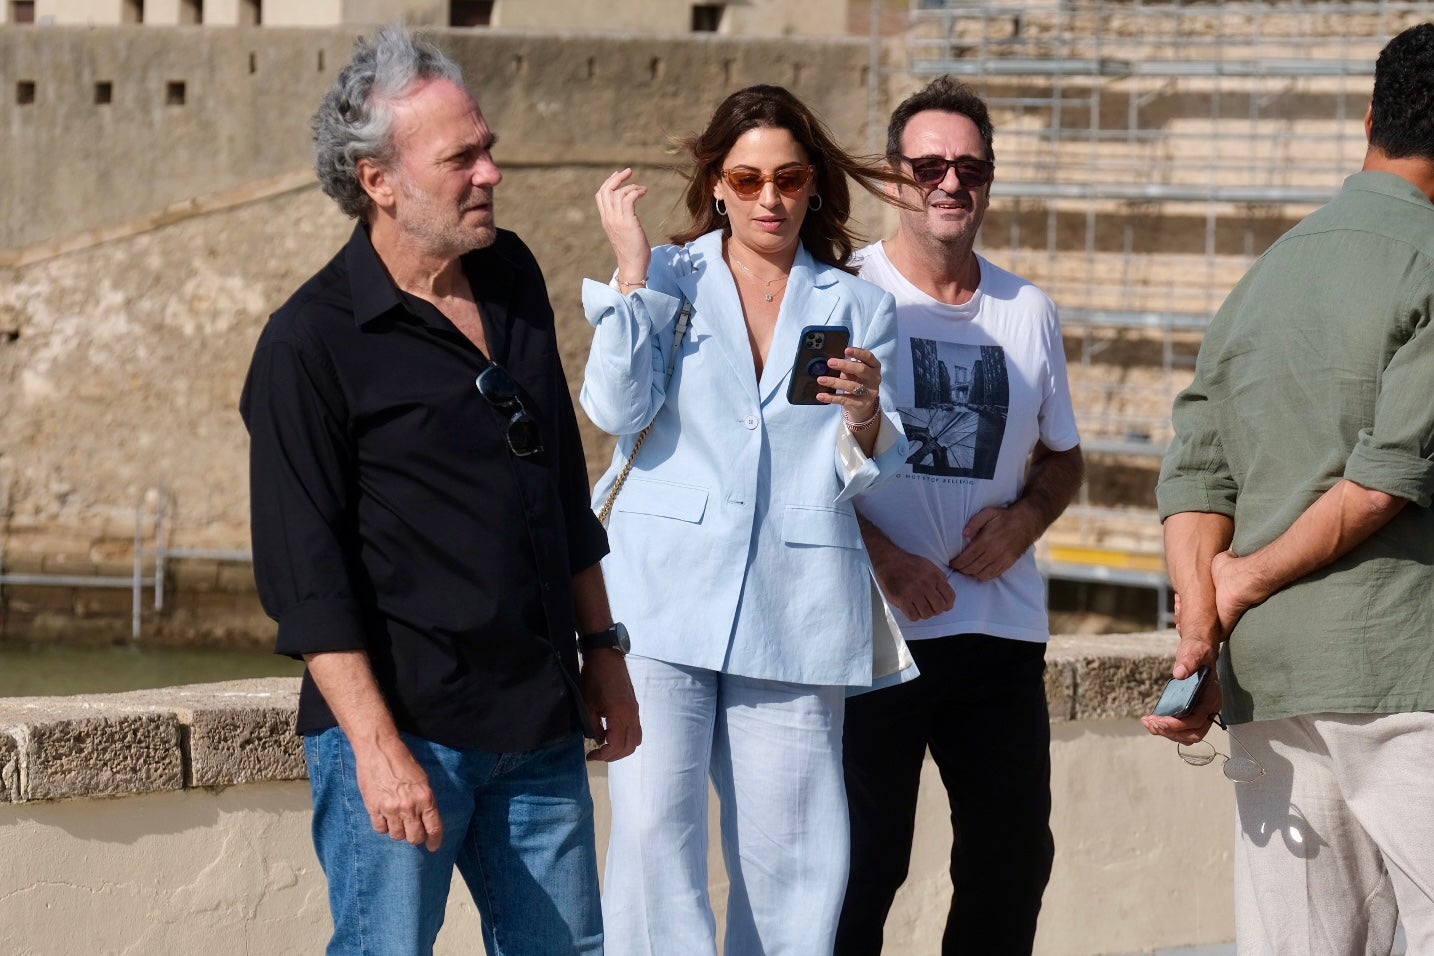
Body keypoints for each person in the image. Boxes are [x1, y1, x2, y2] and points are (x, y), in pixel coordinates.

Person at [239, 26, 639, 956]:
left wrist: (602, 651)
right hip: (405, 735)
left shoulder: (512, 276)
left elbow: (560, 484)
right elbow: (307, 579)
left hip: (540, 724)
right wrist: (377, 753)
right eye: (461, 157)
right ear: (379, 180)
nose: (491, 172)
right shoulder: (308, 344)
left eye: (488, 147)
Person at [581, 84, 911, 955]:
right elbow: (616, 407)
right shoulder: (667, 276)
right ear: (718, 185)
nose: (771, 198)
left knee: (797, 856)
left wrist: (867, 417)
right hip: (658, 594)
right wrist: (630, 273)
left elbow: (875, 466)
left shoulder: (860, 303)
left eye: (790, 178)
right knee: (653, 836)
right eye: (749, 177)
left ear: (812, 187)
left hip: (799, 600)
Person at [1142, 23, 1434, 955]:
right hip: (1405, 663)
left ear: (1367, 121)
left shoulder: (1264, 277)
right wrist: (1245, 580)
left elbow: (1195, 470)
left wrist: (1202, 626)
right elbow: (1389, 474)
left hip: (1272, 681)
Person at [834, 76, 1085, 956]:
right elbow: (789, 471)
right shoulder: (843, 297)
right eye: (930, 165)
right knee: (864, 870)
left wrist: (1025, 520)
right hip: (872, 637)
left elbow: (1063, 456)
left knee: (1012, 861)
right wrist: (884, 560)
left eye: (970, 167)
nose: (951, 183)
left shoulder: (1028, 310)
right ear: (895, 179)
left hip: (997, 635)